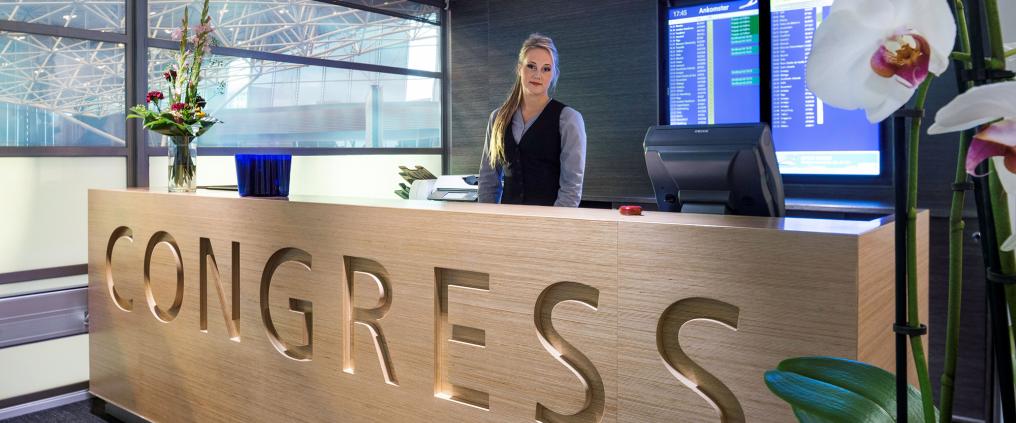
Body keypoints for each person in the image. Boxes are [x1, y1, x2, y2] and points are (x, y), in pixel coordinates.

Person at [478, 33, 587, 207]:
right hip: (506, 223)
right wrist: (489, 223)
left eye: (546, 69)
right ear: (519, 68)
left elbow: (571, 188)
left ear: (554, 74)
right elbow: (488, 182)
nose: (538, 75)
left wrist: (553, 226)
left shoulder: (569, 119)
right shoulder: (497, 118)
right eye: (531, 66)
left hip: (550, 225)